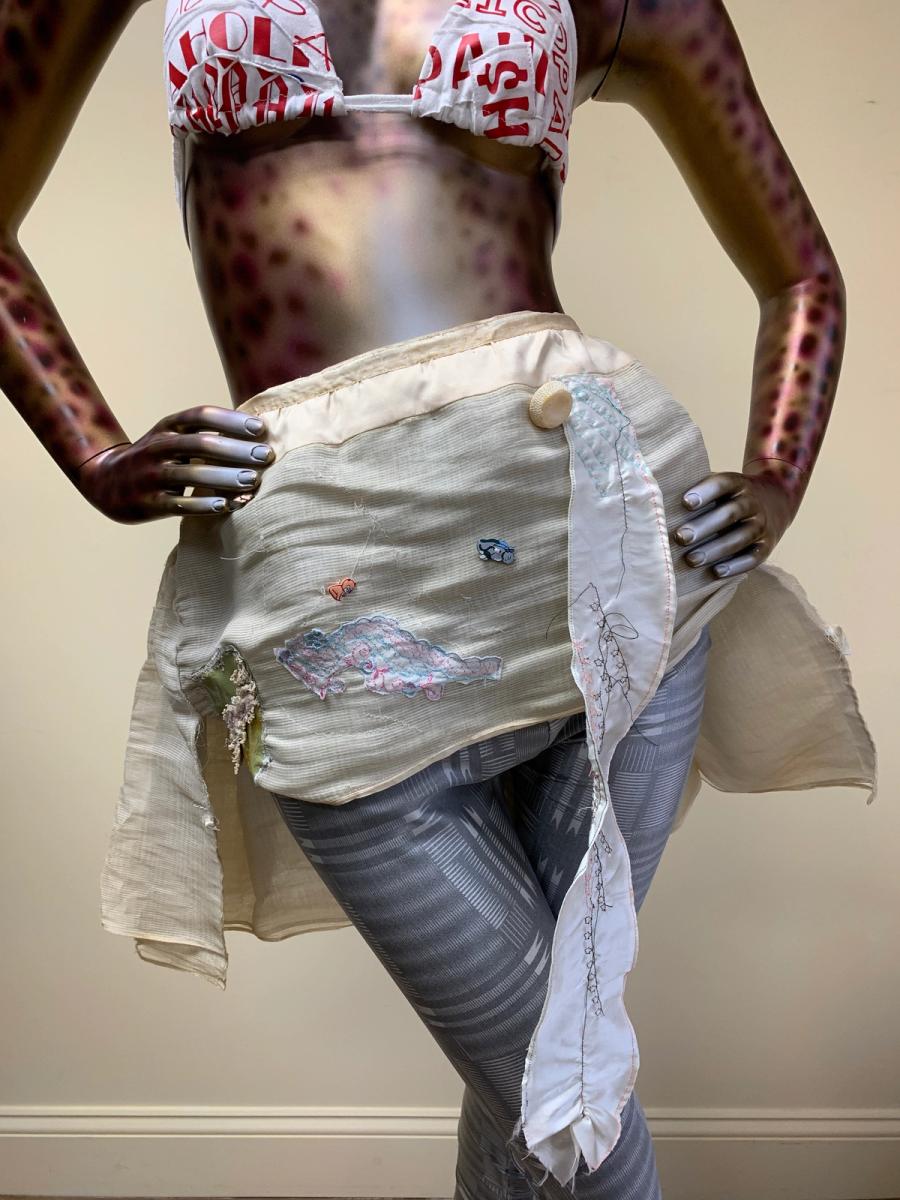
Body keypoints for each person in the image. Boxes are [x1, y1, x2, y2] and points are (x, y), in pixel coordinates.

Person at [0, 3, 876, 1197]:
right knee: (556, 1084)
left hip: (611, 566)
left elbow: (802, 274)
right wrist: (94, 451)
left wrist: (775, 475)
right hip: (330, 598)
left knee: (545, 1086)